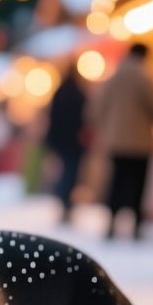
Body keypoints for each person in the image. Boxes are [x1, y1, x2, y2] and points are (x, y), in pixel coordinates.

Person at [89, 43, 153, 240]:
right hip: (140, 142)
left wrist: (106, 129)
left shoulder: (113, 77)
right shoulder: (145, 78)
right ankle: (135, 226)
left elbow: (97, 109)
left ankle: (112, 222)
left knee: (116, 182)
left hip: (115, 141)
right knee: (138, 184)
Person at [43, 71, 88, 223]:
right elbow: (85, 118)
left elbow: (53, 117)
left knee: (64, 172)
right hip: (75, 141)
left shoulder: (59, 93)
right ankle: (65, 202)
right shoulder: (79, 94)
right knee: (71, 172)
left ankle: (63, 200)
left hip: (61, 140)